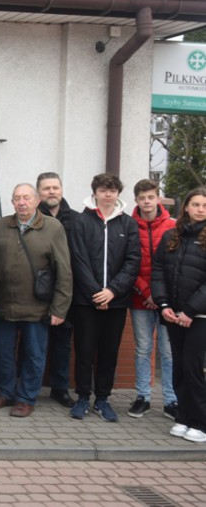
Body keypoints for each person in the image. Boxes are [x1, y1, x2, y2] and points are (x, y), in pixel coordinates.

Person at [0, 183, 72, 418]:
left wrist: (59, 308)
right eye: (17, 198)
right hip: (3, 305)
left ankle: (26, 398)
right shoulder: (3, 225)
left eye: (26, 198)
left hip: (37, 307)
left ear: (36, 201)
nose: (21, 202)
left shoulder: (53, 227)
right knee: (3, 352)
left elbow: (64, 270)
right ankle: (6, 392)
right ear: (12, 202)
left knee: (34, 354)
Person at [68, 173, 140, 422]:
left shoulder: (128, 224)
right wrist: (96, 292)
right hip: (86, 301)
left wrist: (112, 291)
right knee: (85, 351)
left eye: (112, 190)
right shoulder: (81, 221)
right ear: (95, 192)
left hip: (117, 301)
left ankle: (102, 399)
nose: (108, 194)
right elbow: (78, 259)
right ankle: (82, 398)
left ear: (118, 193)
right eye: (103, 190)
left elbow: (133, 262)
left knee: (109, 352)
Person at [152, 187, 206, 444]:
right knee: (179, 367)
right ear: (186, 207)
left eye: (204, 205)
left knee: (194, 367)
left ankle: (200, 422)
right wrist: (164, 305)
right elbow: (158, 271)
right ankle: (183, 417)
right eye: (195, 204)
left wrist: (191, 311)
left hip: (200, 317)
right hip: (173, 314)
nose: (200, 209)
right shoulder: (171, 236)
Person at [128, 179, 177, 420]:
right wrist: (147, 293)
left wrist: (160, 297)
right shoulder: (129, 226)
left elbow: (175, 266)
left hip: (167, 301)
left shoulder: (172, 226)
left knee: (168, 351)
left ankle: (170, 399)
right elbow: (128, 264)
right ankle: (143, 397)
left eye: (151, 197)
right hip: (140, 300)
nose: (147, 202)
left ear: (158, 198)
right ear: (136, 200)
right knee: (143, 349)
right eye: (142, 198)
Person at [35, 171, 80, 408]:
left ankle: (60, 388)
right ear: (38, 193)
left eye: (55, 187)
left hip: (66, 290)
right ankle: (28, 387)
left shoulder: (76, 219)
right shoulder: (30, 217)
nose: (52, 191)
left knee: (62, 342)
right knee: (32, 342)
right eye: (46, 188)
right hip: (35, 290)